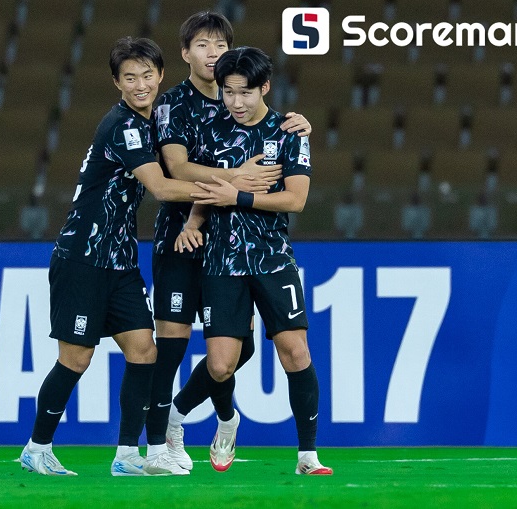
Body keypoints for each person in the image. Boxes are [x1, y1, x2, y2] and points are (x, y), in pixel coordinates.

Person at [19, 37, 205, 477]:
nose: (140, 85)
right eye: (130, 78)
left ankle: (126, 456)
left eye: (147, 75)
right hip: (83, 255)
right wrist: (229, 188)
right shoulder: (122, 125)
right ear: (116, 83)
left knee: (144, 351)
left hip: (120, 259)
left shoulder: (152, 123)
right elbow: (160, 188)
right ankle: (36, 447)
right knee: (76, 358)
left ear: (160, 75)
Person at [148, 11, 312, 472]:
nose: (213, 51)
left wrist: (294, 128)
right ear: (185, 53)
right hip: (185, 237)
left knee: (244, 350)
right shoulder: (175, 106)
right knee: (177, 343)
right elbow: (178, 170)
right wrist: (236, 181)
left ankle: (225, 421)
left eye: (220, 43)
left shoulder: (251, 107)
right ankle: (161, 439)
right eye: (202, 44)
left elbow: (288, 177)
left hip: (241, 244)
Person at [178, 46, 332, 475]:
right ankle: (177, 417)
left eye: (245, 92)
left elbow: (296, 199)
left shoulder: (289, 132)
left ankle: (307, 455)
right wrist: (194, 221)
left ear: (264, 87)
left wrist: (239, 196)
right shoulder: (209, 132)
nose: (237, 102)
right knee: (221, 363)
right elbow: (205, 188)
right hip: (222, 261)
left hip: (271, 258)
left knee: (295, 351)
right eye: (228, 92)